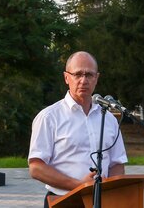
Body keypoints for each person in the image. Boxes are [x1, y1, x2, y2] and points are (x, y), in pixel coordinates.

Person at [28, 51, 126, 207]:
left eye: (89, 75)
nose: (83, 80)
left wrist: (108, 191)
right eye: (78, 74)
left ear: (97, 78)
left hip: (103, 201)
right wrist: (80, 186)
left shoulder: (108, 119)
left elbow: (117, 164)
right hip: (63, 201)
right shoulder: (49, 117)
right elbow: (36, 168)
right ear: (66, 77)